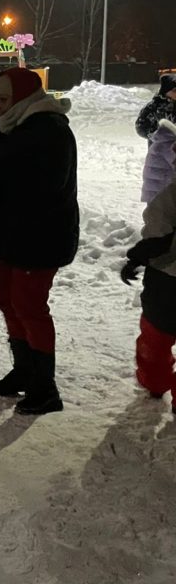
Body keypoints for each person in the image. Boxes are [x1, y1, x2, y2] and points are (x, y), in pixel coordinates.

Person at [0, 67, 78, 415]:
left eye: (4, 100)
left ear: (24, 99)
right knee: (5, 297)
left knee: (29, 305)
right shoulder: (14, 122)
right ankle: (25, 370)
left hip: (40, 236)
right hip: (14, 235)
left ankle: (45, 388)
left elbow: (44, 187)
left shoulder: (50, 130)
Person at [122, 174, 176, 408]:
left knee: (155, 337)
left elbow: (158, 234)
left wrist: (136, 258)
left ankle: (155, 382)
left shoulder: (173, 194)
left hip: (167, 280)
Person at [141, 119, 176, 205]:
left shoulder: (162, 140)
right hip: (162, 191)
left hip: (156, 190)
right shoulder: (168, 143)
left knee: (156, 216)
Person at [135, 73, 176, 140]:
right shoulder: (154, 106)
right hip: (159, 144)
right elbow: (140, 126)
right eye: (175, 91)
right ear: (165, 91)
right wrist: (154, 135)